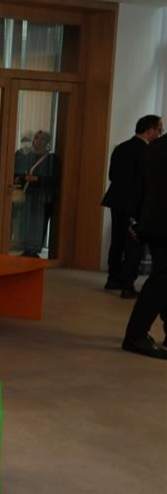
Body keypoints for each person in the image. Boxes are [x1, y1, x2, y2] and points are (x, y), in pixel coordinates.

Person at [102, 115, 163, 298]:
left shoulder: (121, 148)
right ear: (150, 130)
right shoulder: (149, 151)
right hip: (136, 204)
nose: (160, 134)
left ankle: (113, 278)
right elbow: (146, 182)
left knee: (117, 240)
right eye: (160, 130)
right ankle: (128, 285)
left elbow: (112, 175)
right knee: (134, 245)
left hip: (117, 201)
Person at [121, 132, 167, 360]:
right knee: (161, 280)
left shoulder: (156, 146)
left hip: (154, 222)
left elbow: (139, 186)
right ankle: (136, 335)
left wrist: (136, 221)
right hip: (163, 224)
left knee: (163, 278)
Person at [13, 130, 57, 257]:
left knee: (39, 224)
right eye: (37, 138)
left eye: (42, 139)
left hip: (43, 198)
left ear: (47, 142)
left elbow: (54, 179)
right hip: (29, 195)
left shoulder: (51, 159)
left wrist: (37, 179)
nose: (38, 141)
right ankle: (27, 249)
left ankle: (34, 250)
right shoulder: (28, 156)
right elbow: (20, 173)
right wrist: (21, 178)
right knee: (26, 223)